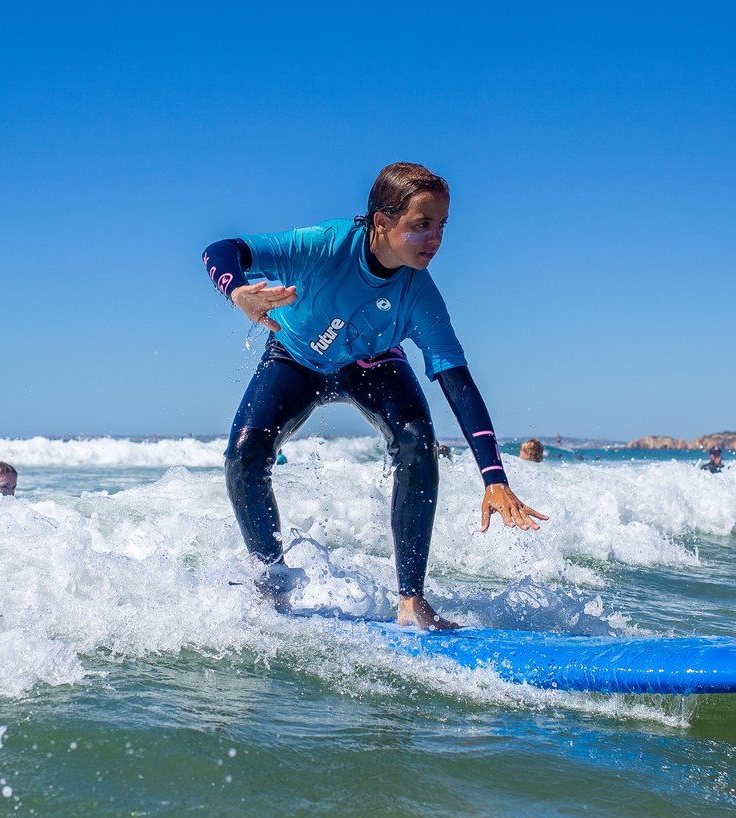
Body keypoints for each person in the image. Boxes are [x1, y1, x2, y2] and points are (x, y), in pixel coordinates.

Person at [202, 162, 546, 630]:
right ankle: (272, 583)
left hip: (372, 364)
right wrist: (238, 290)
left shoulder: (420, 296)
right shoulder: (325, 245)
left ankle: (411, 599)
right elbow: (222, 249)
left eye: (442, 226)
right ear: (382, 221)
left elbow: (458, 383)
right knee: (244, 456)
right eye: (421, 225)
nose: (435, 238)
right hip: (294, 359)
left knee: (417, 443)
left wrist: (493, 477)